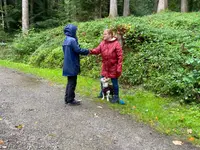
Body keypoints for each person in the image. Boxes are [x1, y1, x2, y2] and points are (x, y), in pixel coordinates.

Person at [89, 29, 123, 103]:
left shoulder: (116, 44)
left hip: (113, 66)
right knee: (102, 80)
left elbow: (120, 56)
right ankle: (102, 93)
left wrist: (119, 67)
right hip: (105, 66)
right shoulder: (102, 43)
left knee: (114, 83)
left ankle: (116, 96)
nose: (103, 35)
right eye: (103, 34)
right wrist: (89, 51)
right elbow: (97, 50)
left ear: (110, 35)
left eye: (105, 34)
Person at [62, 24, 89, 106]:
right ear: (72, 31)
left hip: (67, 64)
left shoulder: (66, 39)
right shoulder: (72, 40)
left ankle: (67, 98)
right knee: (72, 82)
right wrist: (88, 51)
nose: (76, 32)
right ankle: (71, 100)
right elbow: (78, 50)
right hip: (72, 64)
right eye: (75, 30)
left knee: (69, 82)